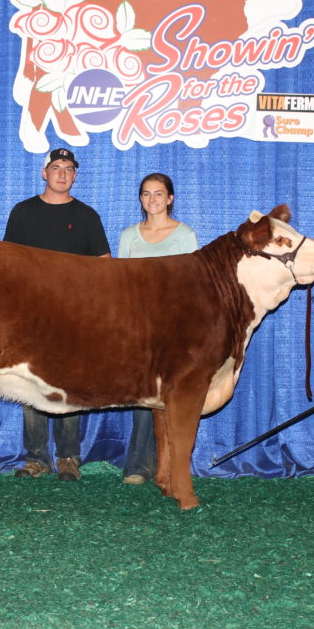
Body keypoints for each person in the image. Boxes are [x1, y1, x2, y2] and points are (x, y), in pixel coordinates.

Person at [3, 148, 110, 481]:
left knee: (69, 385)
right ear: (44, 173)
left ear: (75, 175)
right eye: (56, 167)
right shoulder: (22, 212)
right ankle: (36, 457)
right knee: (31, 383)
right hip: (30, 314)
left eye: (68, 169)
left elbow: (105, 267)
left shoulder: (87, 216)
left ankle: (68, 457)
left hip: (73, 315)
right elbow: (9, 263)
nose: (61, 173)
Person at [116, 173, 199, 485]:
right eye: (146, 194)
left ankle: (173, 466)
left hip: (174, 327)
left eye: (159, 194)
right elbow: (119, 285)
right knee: (143, 394)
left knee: (174, 396)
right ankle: (139, 465)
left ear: (170, 198)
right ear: (141, 199)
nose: (152, 200)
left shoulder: (184, 235)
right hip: (138, 326)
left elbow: (192, 285)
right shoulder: (129, 236)